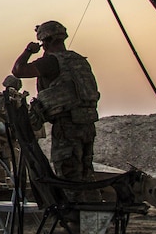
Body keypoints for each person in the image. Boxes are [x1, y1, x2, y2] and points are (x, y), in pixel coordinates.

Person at [11, 20, 100, 181]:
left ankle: (76, 205)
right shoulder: (78, 60)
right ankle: (91, 204)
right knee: (86, 175)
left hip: (67, 126)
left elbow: (18, 70)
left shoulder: (51, 62)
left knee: (69, 177)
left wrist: (29, 50)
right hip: (86, 124)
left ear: (47, 41)